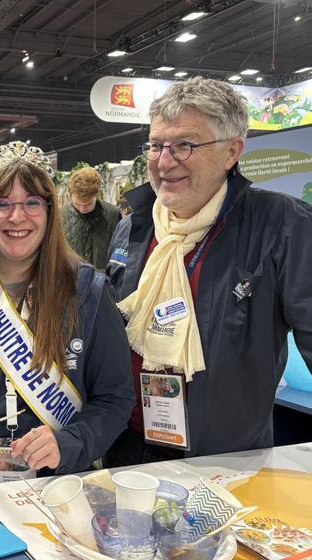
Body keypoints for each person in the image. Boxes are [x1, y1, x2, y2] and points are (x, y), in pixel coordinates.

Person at [105, 77, 312, 467]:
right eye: (155, 145)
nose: (164, 162)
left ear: (232, 151)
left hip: (228, 464)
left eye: (184, 145)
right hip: (128, 453)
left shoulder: (282, 226)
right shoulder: (133, 228)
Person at [0, 141, 134, 489]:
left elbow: (116, 398)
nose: (17, 217)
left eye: (32, 202)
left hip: (59, 488)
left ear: (50, 212)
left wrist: (69, 442)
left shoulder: (89, 292)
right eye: (2, 203)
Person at [63, 166, 121, 270]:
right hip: (69, 280)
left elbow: (120, 251)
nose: (82, 209)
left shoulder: (113, 214)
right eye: (77, 204)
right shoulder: (60, 215)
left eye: (88, 204)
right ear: (70, 196)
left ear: (97, 195)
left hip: (104, 282)